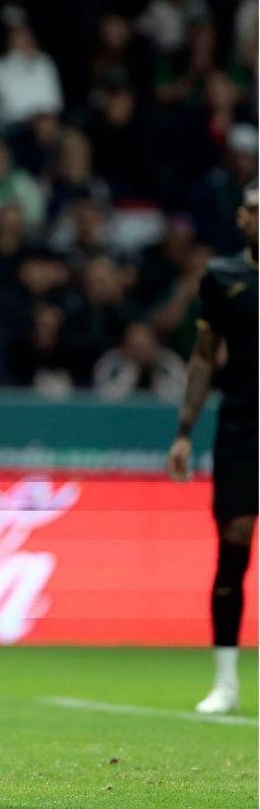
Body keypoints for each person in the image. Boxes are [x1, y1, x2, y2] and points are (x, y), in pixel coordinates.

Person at [167, 181, 258, 715]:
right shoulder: (223, 277)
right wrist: (184, 430)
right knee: (234, 544)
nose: (252, 217)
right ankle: (226, 681)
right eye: (250, 210)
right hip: (242, 428)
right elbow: (205, 356)